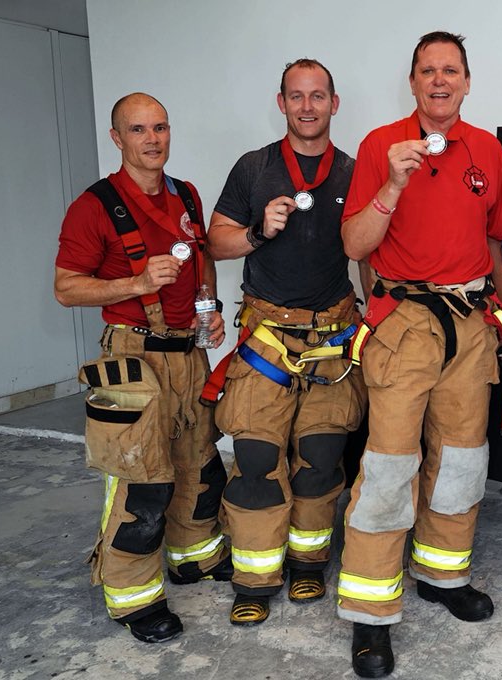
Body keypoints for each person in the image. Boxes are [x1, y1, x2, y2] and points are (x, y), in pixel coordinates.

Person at [336, 30, 502, 678]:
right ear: (411, 83)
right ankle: (371, 612)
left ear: (467, 82)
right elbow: (356, 245)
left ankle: (443, 575)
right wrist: (390, 184)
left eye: (451, 71)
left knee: (464, 461)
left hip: (470, 325)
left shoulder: (488, 151)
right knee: (388, 468)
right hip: (403, 324)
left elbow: (495, 242)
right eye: (427, 71)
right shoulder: (380, 145)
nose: (439, 80)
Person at [54, 93, 230, 643]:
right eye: (138, 130)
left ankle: (193, 558)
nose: (152, 139)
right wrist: (135, 283)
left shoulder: (187, 194)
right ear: (117, 138)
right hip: (131, 357)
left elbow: (201, 264)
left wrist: (211, 312)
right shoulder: (95, 205)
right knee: (140, 480)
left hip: (189, 353)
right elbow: (65, 288)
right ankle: (132, 595)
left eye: (160, 128)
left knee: (199, 463)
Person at [207, 58, 366, 626]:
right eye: (296, 97)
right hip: (268, 339)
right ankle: (254, 576)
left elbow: (368, 255)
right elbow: (215, 242)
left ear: (333, 103)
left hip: (331, 337)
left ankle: (307, 561)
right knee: (255, 459)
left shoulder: (352, 171)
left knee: (320, 459)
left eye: (317, 96)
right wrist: (255, 232)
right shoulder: (254, 169)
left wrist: (377, 328)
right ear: (281, 103)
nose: (307, 107)